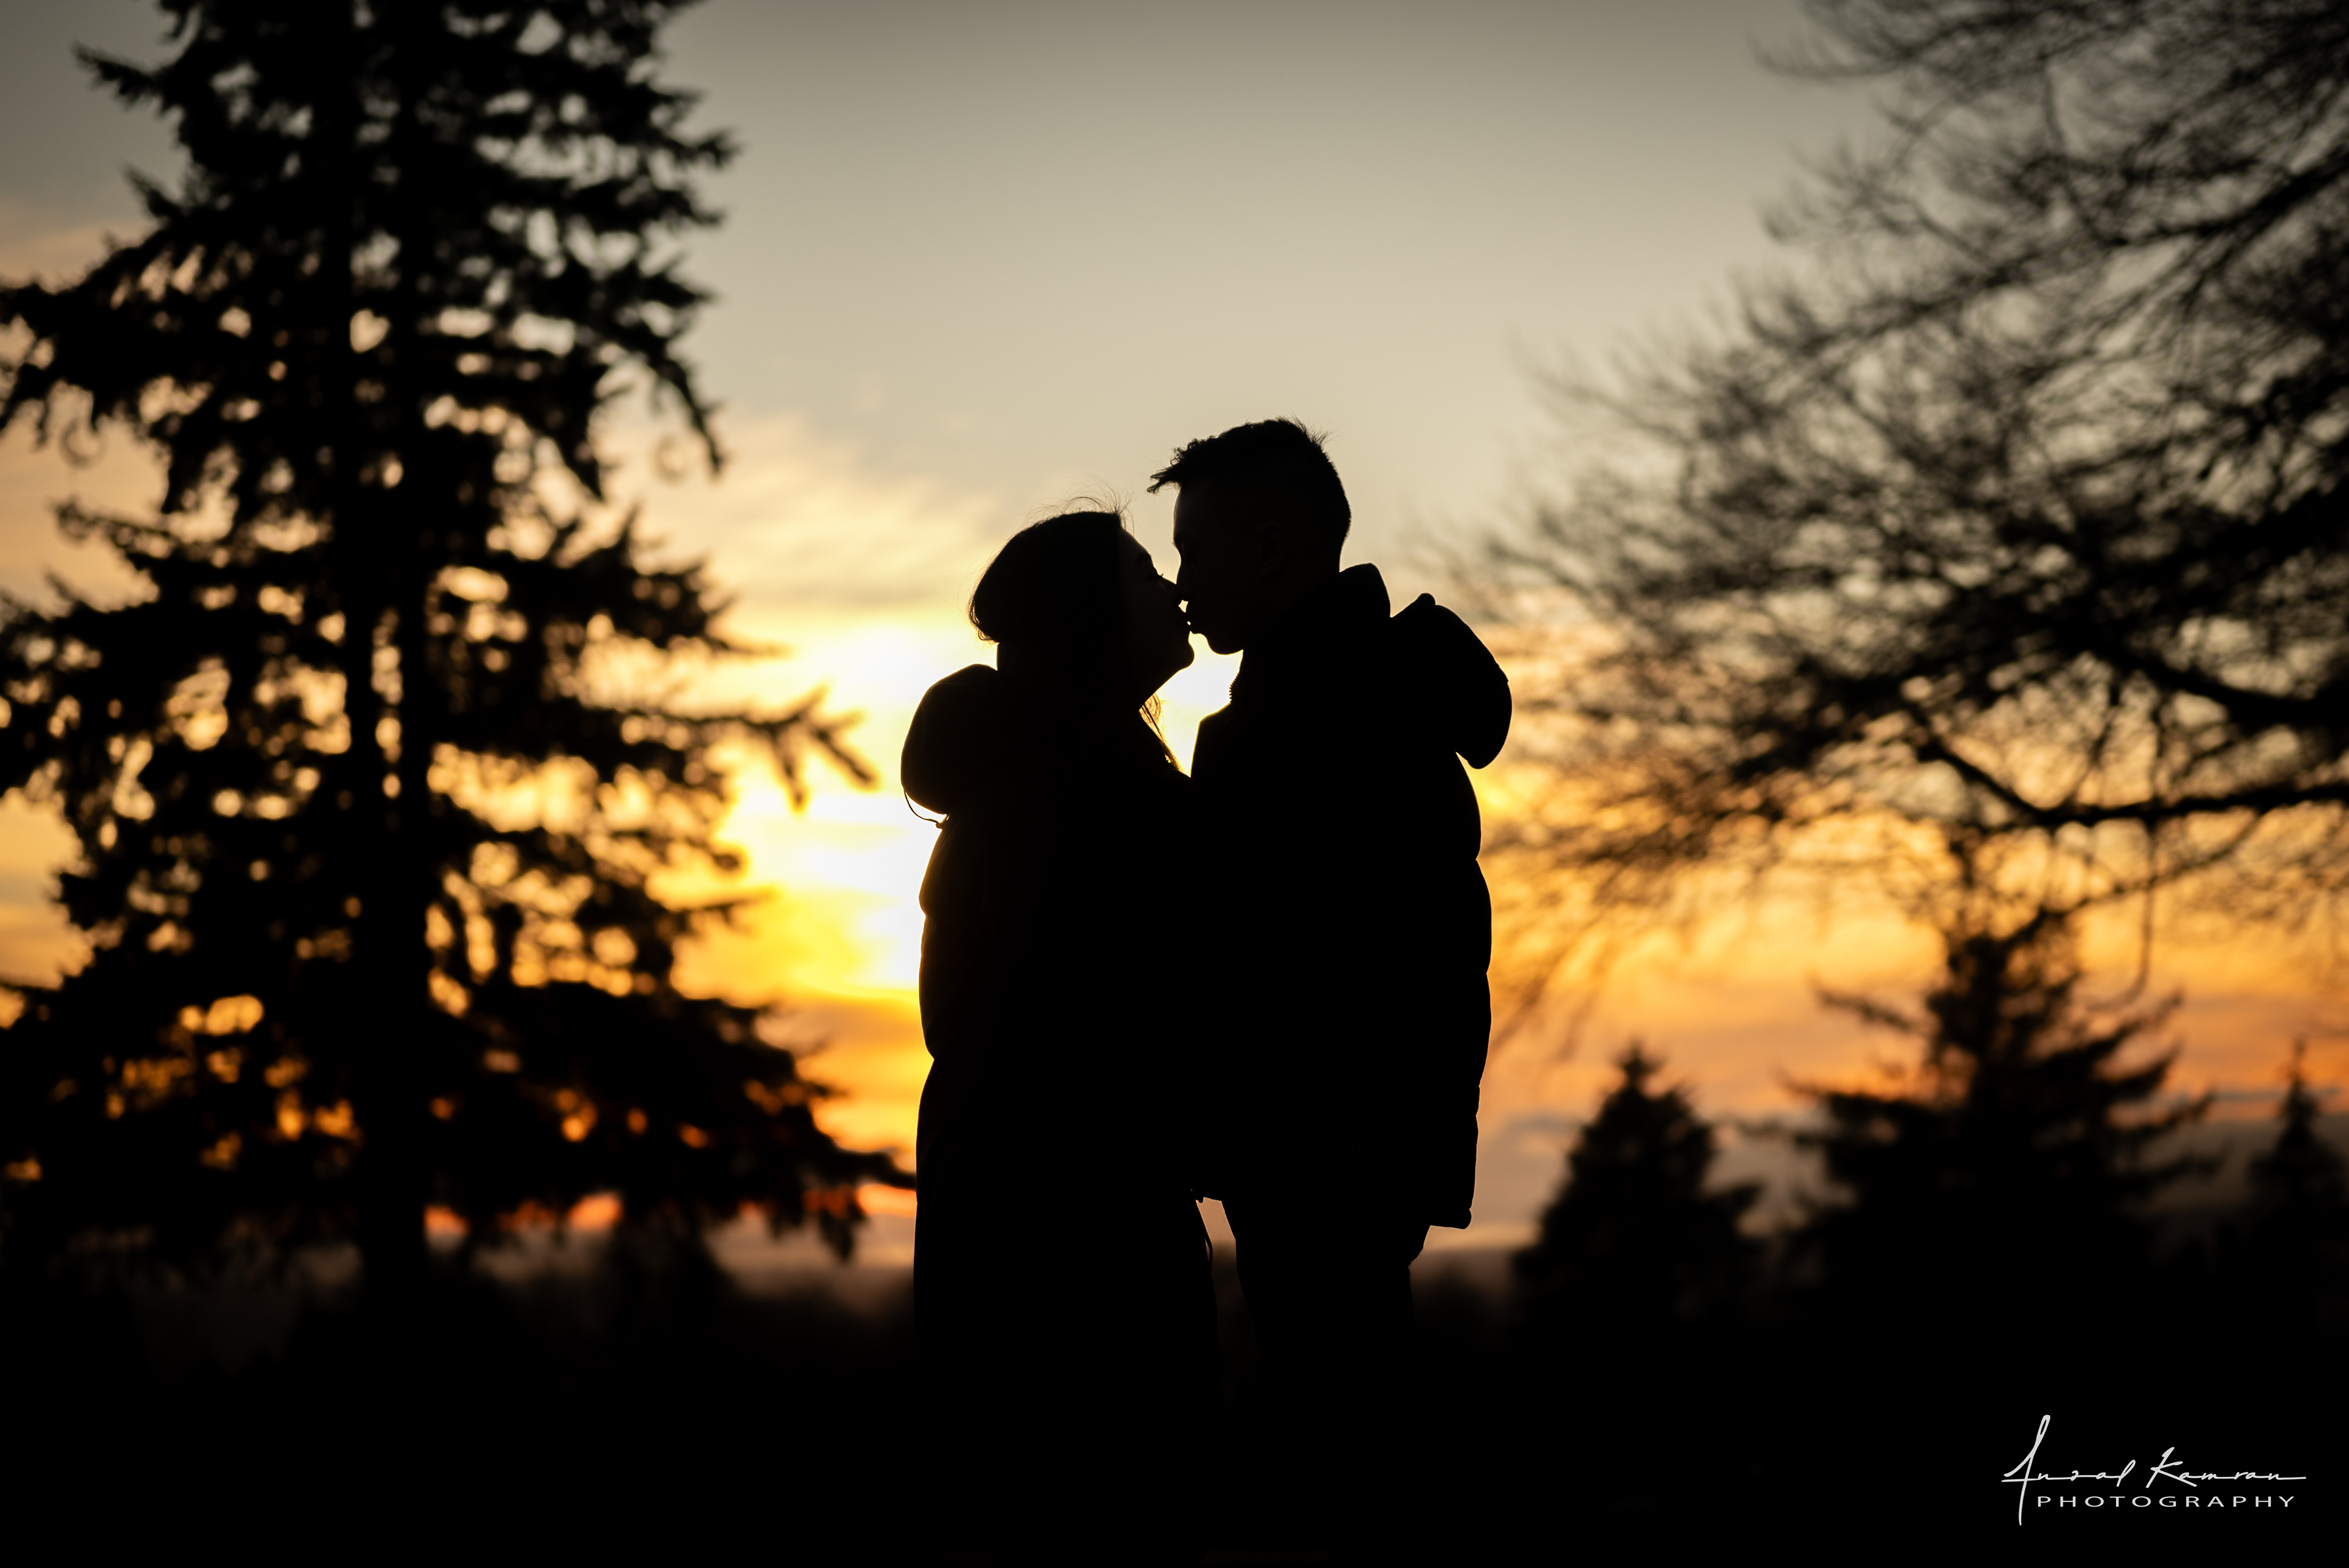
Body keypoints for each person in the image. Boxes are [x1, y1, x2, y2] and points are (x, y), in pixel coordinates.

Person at [1151, 419, 1508, 1560]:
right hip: (1323, 1145)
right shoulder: (1325, 701)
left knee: (1340, 1445)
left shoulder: (1340, 715)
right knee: (1337, 1426)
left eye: (1195, 551)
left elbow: (1392, 952)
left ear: (1269, 549)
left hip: (1324, 1148)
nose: (1180, 583)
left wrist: (1360, 1140)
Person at [904, 508, 1218, 1562]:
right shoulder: (1076, 794)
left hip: (1028, 1224)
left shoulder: (1053, 775)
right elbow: (1110, 1032)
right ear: (1088, 618)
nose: (1174, 589)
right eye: (1143, 572)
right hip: (1073, 1248)